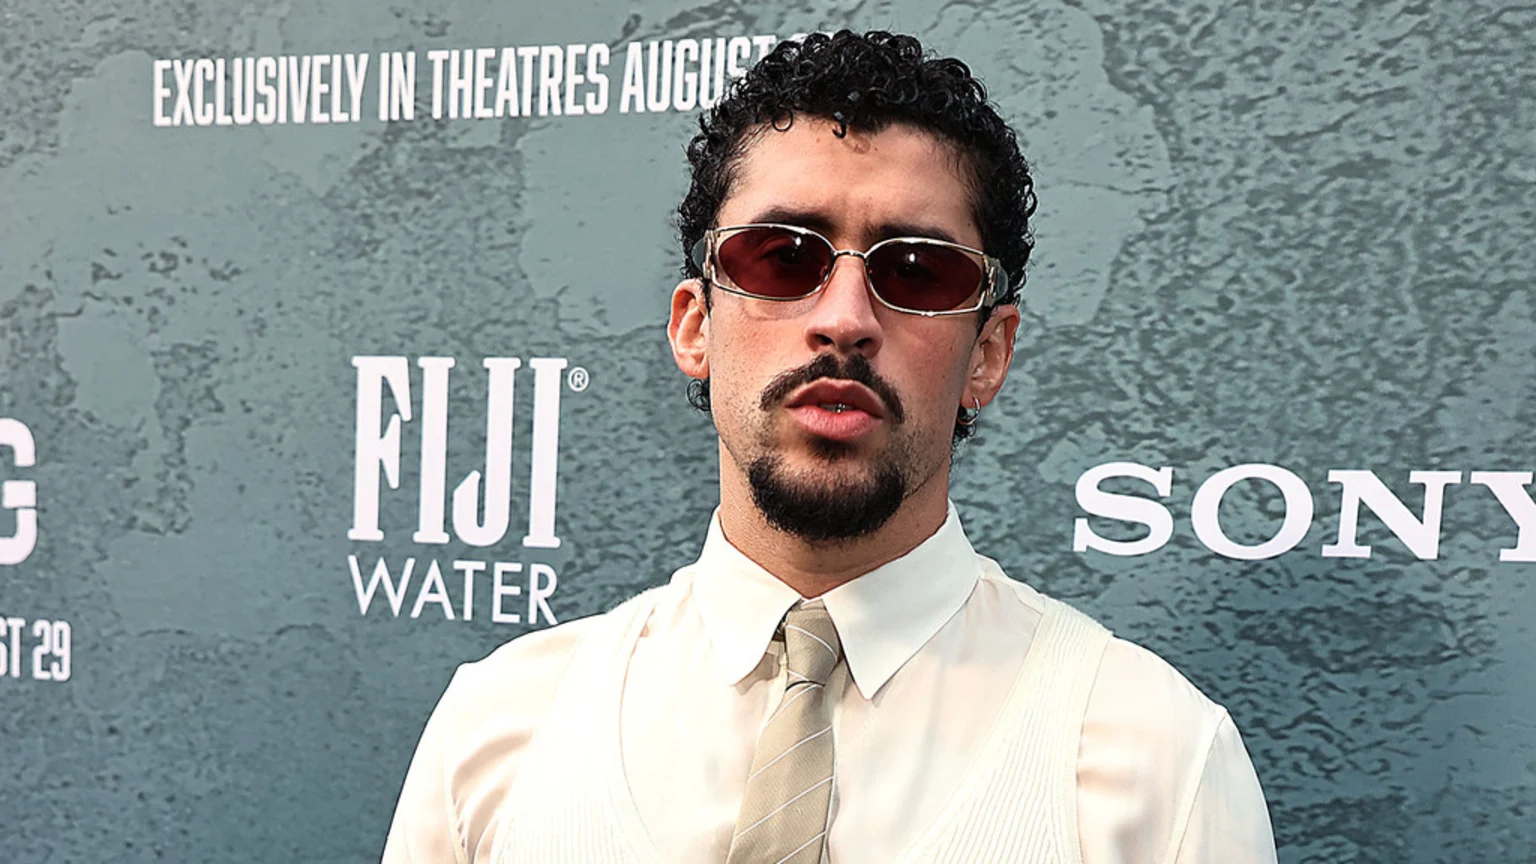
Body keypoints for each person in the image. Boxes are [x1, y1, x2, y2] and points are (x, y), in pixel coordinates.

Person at [383, 29, 1277, 864]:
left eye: (917, 271)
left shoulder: (1159, 766)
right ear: (695, 325)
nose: (844, 320)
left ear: (989, 354)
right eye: (781, 257)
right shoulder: (499, 734)